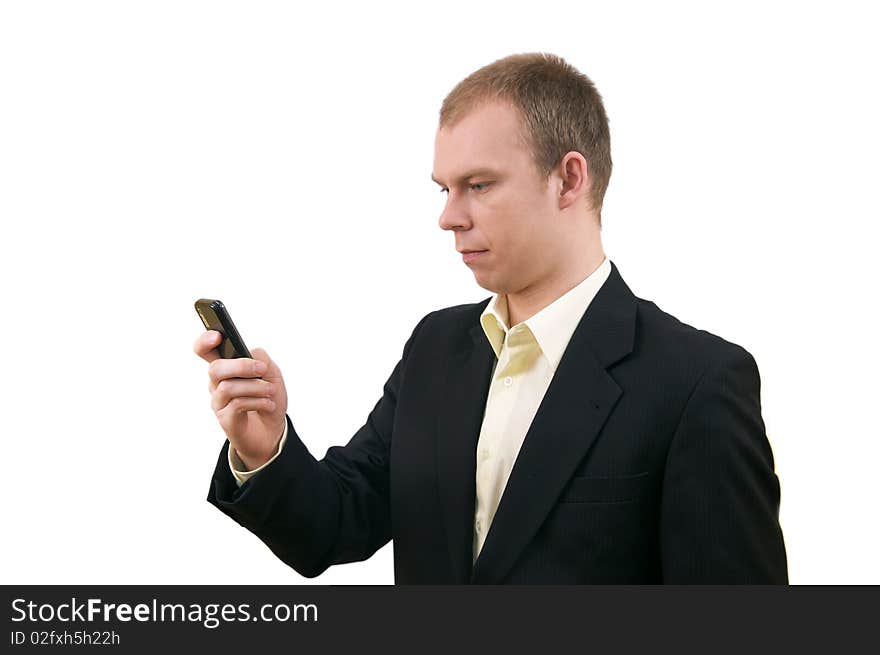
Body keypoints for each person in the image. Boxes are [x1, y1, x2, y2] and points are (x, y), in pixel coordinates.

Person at [194, 53, 787, 584]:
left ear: (569, 179)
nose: (449, 217)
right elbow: (337, 523)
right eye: (444, 189)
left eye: (478, 185)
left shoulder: (697, 381)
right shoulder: (436, 348)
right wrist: (264, 446)